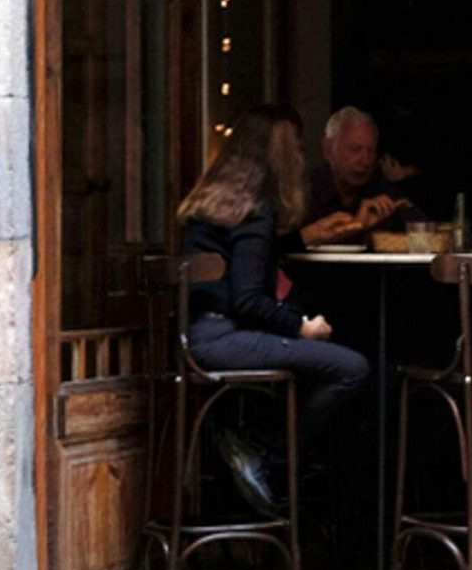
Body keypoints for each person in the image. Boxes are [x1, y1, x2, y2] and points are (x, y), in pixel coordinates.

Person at [177, 104, 370, 516]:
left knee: (315, 369)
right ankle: (267, 457)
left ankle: (250, 446)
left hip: (197, 334)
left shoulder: (218, 202)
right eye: (297, 146)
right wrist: (302, 327)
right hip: (223, 338)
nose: (301, 155)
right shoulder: (257, 210)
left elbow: (244, 260)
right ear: (280, 153)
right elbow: (248, 299)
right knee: (351, 368)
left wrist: (299, 238)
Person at [299, 106, 419, 246]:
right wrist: (356, 225)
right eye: (355, 150)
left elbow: (425, 233)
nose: (365, 161)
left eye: (371, 151)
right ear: (328, 150)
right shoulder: (303, 193)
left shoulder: (382, 192)